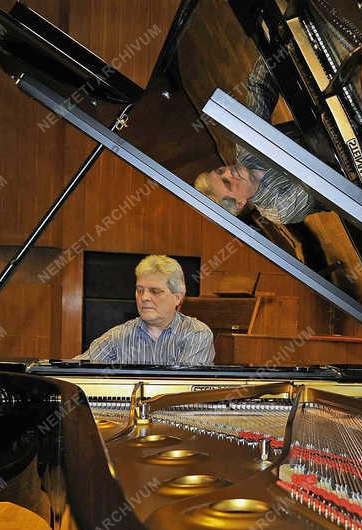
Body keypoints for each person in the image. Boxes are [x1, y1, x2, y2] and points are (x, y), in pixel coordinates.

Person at [194, 56, 318, 225]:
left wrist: (279, 51)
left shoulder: (246, 148)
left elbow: (260, 88)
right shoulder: (279, 209)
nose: (229, 172)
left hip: (326, 118)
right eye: (227, 183)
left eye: (220, 171)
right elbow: (321, 176)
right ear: (239, 203)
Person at [76, 255, 214, 365]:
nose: (144, 297)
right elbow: (76, 373)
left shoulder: (196, 334)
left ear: (177, 298)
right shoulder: (117, 336)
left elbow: (183, 388)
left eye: (155, 291)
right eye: (140, 290)